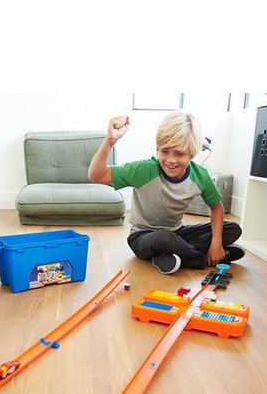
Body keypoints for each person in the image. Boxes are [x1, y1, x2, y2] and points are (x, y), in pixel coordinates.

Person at [88, 112, 243, 274]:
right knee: (165, 238)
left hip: (177, 233)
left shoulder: (200, 176)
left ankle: (169, 256)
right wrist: (109, 141)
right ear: (158, 149)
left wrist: (216, 243)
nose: (170, 160)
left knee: (232, 229)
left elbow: (217, 208)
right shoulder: (143, 170)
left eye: (179, 154)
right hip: (142, 237)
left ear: (192, 153)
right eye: (164, 151)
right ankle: (203, 259)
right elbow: (96, 175)